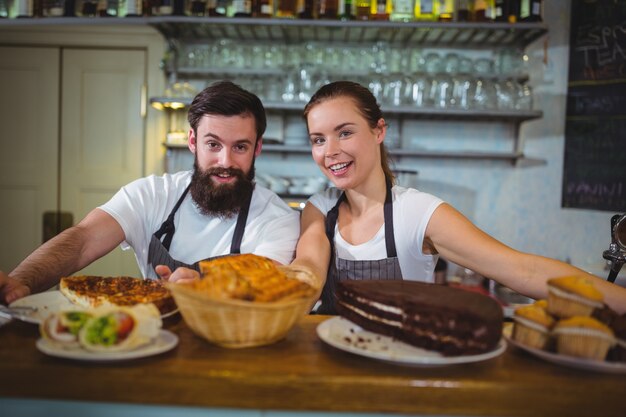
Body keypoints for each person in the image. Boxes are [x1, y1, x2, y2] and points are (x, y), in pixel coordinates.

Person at [291, 80, 626, 315]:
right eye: (318, 140)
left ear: (379, 130)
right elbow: (308, 267)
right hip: (332, 365)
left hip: (401, 367)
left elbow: (523, 270)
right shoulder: (320, 208)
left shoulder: (417, 213)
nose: (330, 151)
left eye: (345, 132)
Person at [0, 81, 300, 304]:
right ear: (193, 142)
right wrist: (21, 281)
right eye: (213, 144)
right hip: (150, 340)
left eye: (240, 147)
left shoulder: (277, 219)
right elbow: (83, 240)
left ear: (257, 148)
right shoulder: (153, 194)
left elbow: (265, 287)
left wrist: (204, 286)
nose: (225, 161)